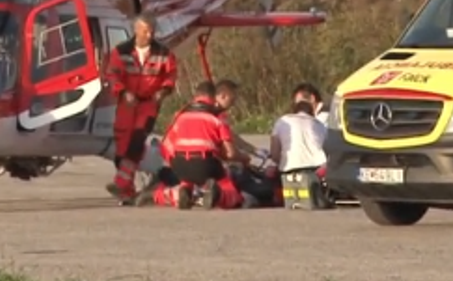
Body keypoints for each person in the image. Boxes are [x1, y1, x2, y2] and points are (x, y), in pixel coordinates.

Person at [104, 12, 178, 203]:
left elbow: (170, 75)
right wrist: (123, 92)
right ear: (136, 30)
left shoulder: (164, 53)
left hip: (149, 104)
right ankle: (127, 190)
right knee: (122, 150)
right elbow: (112, 75)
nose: (150, 35)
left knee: (138, 139)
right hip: (126, 104)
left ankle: (121, 182)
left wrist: (164, 91)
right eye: (146, 31)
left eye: (152, 31)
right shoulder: (120, 52)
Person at [145, 81, 247, 210]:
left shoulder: (180, 115)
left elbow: (165, 147)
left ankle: (168, 195)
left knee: (187, 183)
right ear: (213, 97)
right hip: (206, 165)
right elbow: (230, 154)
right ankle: (218, 195)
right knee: (232, 193)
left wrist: (175, 164)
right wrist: (244, 158)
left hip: (179, 165)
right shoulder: (218, 117)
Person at [269, 84, 328, 175]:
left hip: (288, 171)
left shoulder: (282, 121)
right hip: (316, 170)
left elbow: (275, 155)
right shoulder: (318, 123)